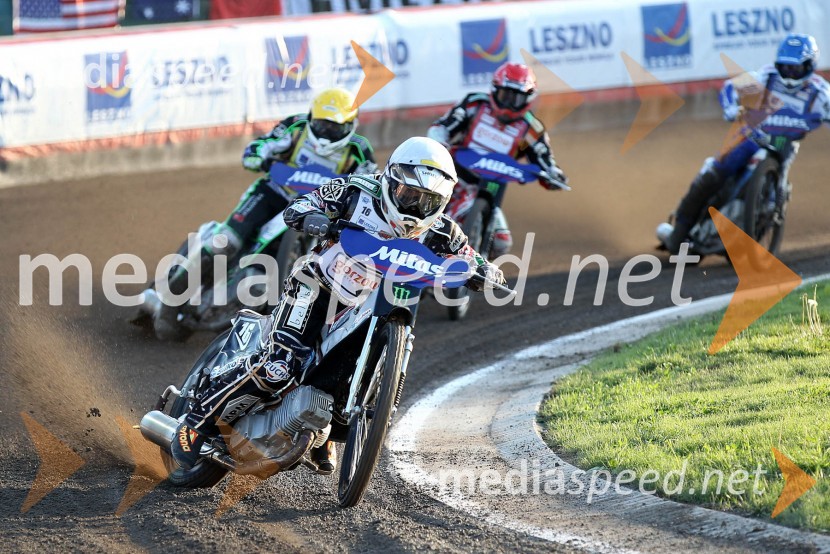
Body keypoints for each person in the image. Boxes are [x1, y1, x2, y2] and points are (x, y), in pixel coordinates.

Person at [170, 137, 506, 474]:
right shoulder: (355, 190)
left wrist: (487, 271)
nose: (415, 207)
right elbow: (300, 205)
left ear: (443, 201)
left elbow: (470, 257)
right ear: (390, 177)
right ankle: (197, 421)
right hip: (317, 286)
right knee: (279, 365)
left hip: (372, 305)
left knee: (348, 375)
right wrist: (312, 217)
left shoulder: (441, 229)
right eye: (408, 195)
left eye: (427, 201)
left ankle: (323, 425)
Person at [153, 88, 377, 340]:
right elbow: (260, 146)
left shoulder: (360, 149)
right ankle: (169, 306)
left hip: (318, 209)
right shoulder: (294, 126)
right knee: (224, 242)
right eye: (321, 125)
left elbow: (367, 185)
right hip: (273, 194)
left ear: (350, 125)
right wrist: (260, 157)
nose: (326, 133)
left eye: (334, 128)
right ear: (311, 116)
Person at [658, 33, 830, 254]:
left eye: (795, 68)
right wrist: (731, 109)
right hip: (752, 136)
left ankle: (768, 214)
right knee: (717, 170)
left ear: (809, 66)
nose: (789, 74)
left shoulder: (821, 93)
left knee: (779, 189)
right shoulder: (766, 76)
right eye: (785, 68)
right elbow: (731, 87)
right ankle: (679, 230)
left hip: (785, 144)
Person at [427, 61, 568, 257]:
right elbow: (443, 126)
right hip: (452, 175)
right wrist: (439, 142)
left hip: (491, 189)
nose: (509, 103)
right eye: (505, 95)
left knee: (501, 243)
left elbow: (545, 160)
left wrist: (554, 175)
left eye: (516, 98)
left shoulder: (532, 129)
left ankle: (473, 275)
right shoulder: (475, 104)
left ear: (528, 98)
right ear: (495, 90)